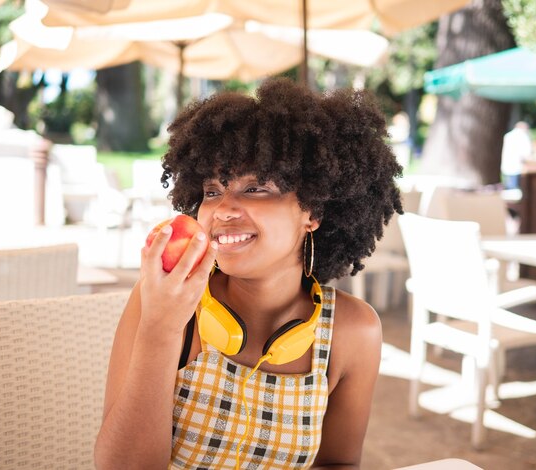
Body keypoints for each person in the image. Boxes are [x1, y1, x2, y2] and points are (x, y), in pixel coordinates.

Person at [94, 78, 403, 469]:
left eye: (255, 188)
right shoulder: (164, 301)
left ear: (313, 212)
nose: (222, 209)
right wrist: (160, 329)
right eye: (211, 190)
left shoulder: (352, 332)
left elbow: (338, 462)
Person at [501, 121, 532, 190]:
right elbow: (527, 153)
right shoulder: (523, 136)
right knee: (516, 190)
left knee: (509, 188)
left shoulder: (508, 135)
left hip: (507, 166)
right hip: (518, 167)